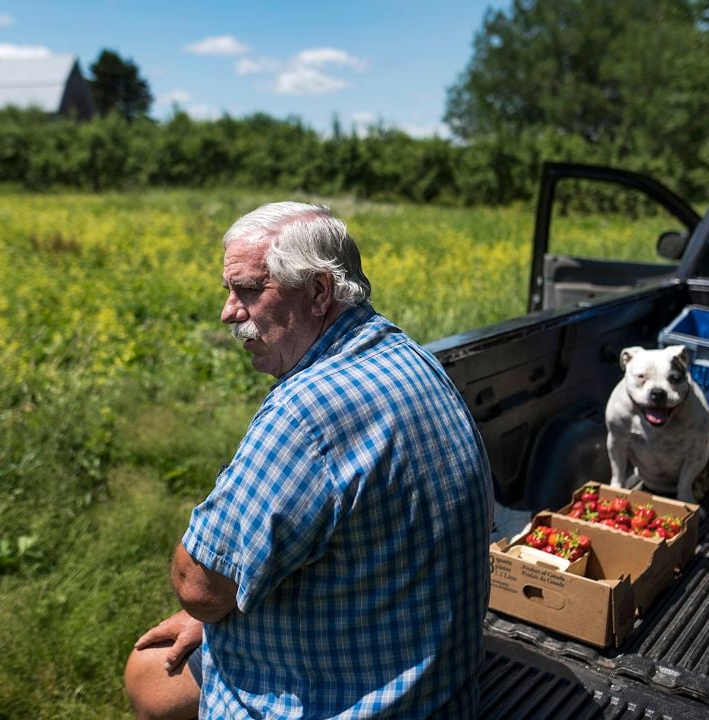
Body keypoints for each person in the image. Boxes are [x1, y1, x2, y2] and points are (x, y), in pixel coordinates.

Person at [124, 201, 491, 719]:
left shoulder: (307, 411)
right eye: (229, 291)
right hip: (438, 688)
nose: (229, 312)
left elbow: (200, 588)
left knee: (147, 671)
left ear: (319, 291)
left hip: (355, 702)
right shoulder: (407, 355)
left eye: (249, 289)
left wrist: (209, 613)